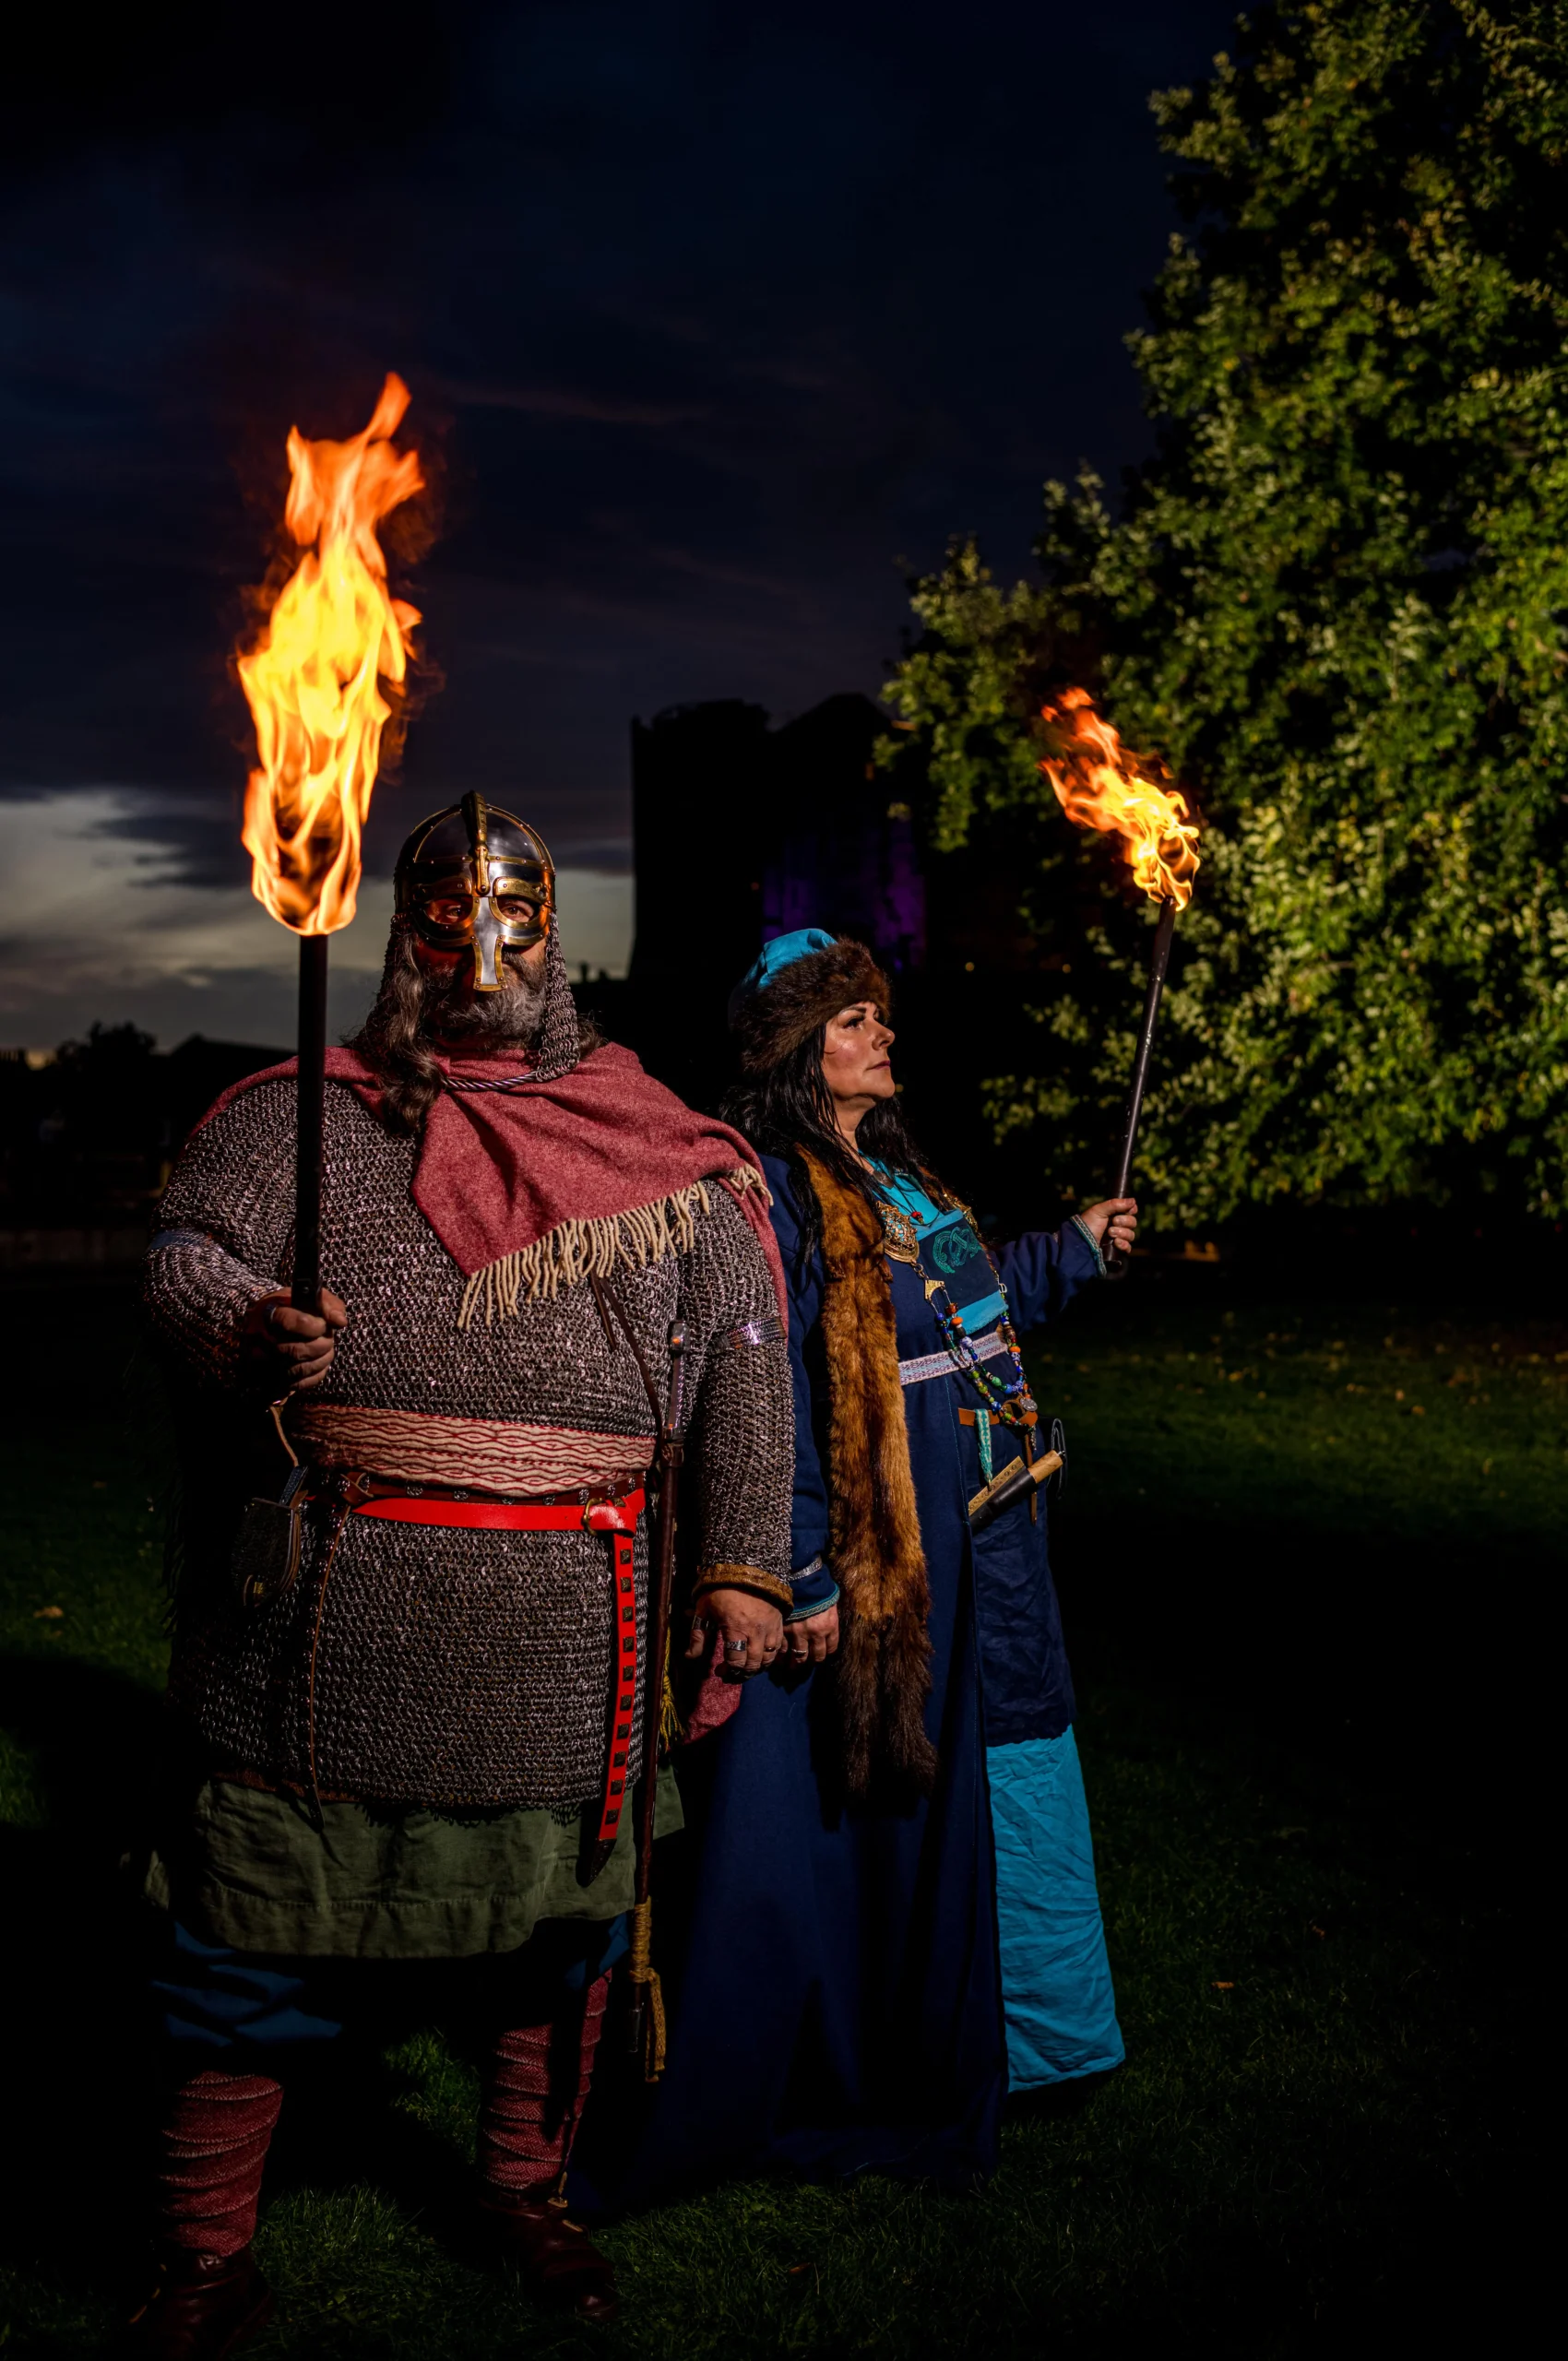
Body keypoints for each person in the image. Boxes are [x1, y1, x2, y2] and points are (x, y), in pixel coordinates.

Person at [131, 795, 794, 2355]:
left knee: (548, 1950)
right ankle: (207, 2255)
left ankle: (522, 2191)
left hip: (577, 1612)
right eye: (444, 923)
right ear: (401, 940)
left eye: (512, 924)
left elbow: (750, 1363)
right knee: (252, 1942)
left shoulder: (656, 1137)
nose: (480, 955)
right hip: (336, 1603)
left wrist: (752, 1563)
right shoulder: (307, 1112)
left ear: (555, 941)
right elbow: (184, 1259)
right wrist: (246, 1323)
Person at [580, 927, 1134, 2205]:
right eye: (853, 1024)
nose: (883, 1036)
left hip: (982, 1529)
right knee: (845, 1809)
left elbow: (962, 1307)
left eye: (881, 1017)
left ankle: (1017, 2033)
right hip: (880, 1541)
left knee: (997, 1761)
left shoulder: (893, 1170)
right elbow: (761, 1386)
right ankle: (830, 2059)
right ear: (793, 1054)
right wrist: (797, 1565)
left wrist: (1071, 1248)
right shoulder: (770, 1190)